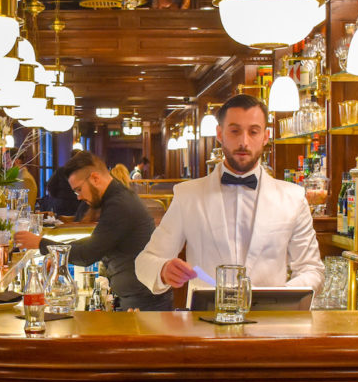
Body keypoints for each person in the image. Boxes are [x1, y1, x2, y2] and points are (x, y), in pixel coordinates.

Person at [135, 94, 324, 300]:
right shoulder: (188, 196)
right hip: (205, 318)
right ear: (220, 134)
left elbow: (312, 270)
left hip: (269, 318)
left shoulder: (293, 198)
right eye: (235, 131)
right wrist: (163, 270)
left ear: (266, 136)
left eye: (253, 132)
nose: (244, 141)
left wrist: (278, 299)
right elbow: (145, 261)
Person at [15, 151, 172, 311]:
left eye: (78, 190)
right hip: (137, 297)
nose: (78, 197)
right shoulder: (116, 198)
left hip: (145, 303)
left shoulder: (119, 204)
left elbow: (87, 254)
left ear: (95, 178)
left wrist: (41, 244)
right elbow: (96, 241)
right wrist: (56, 251)